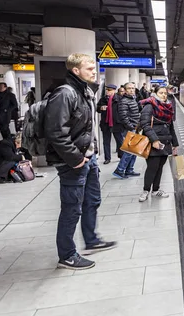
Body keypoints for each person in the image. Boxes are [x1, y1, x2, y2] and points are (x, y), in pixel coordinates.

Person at [44, 53, 116, 270]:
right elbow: (56, 132)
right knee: (71, 208)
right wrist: (76, 159)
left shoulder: (84, 91)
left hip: (89, 158)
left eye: (94, 68)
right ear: (75, 70)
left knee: (92, 200)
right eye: (89, 68)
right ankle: (67, 255)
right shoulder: (65, 93)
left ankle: (91, 240)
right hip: (73, 161)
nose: (94, 71)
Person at [138, 85, 178, 202]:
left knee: (160, 167)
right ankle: (145, 190)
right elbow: (145, 125)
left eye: (165, 93)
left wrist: (175, 143)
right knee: (152, 167)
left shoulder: (168, 107)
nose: (164, 95)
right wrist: (154, 140)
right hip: (153, 143)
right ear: (155, 93)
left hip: (165, 142)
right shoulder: (149, 106)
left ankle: (155, 190)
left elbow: (171, 127)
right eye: (161, 93)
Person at [112, 82, 141, 179]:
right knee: (129, 151)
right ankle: (119, 170)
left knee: (134, 150)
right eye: (129, 88)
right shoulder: (124, 101)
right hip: (129, 128)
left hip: (135, 127)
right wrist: (131, 127)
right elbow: (123, 117)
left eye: (133, 88)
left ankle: (129, 170)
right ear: (125, 90)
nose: (132, 90)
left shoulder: (133, 99)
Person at [96, 84, 117, 165]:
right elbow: (97, 108)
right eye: (107, 90)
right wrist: (101, 108)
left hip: (116, 123)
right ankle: (107, 158)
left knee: (119, 140)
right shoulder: (103, 99)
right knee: (106, 141)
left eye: (110, 90)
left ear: (114, 90)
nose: (108, 91)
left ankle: (121, 155)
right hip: (105, 123)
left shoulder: (117, 99)